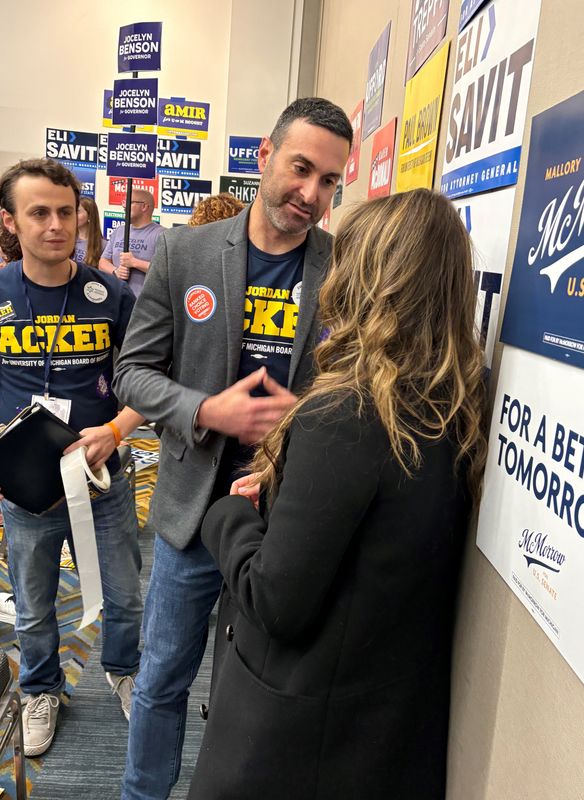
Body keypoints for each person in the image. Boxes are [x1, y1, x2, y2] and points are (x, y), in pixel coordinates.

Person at [188, 189, 488, 800]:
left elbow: (277, 601)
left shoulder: (348, 413)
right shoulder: (456, 404)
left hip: (296, 743)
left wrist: (232, 515)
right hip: (379, 730)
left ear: (372, 279)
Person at [113, 96, 353, 799]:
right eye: (301, 169)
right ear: (265, 158)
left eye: (329, 181)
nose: (311, 193)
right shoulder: (185, 254)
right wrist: (204, 409)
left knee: (253, 691)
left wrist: (304, 415)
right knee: (161, 680)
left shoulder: (343, 267)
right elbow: (132, 372)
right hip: (193, 513)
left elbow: (354, 381)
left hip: (285, 521)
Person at [0, 158, 146, 757]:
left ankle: (124, 669)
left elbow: (146, 380)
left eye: (66, 211)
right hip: (26, 484)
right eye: (39, 212)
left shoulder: (113, 295)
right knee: (32, 604)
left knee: (126, 594)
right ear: (11, 222)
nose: (57, 225)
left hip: (102, 476)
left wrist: (118, 429)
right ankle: (41, 688)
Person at [99, 189, 165, 297]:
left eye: (129, 202)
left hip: (143, 304)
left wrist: (134, 262)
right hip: (117, 300)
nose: (124, 206)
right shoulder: (119, 231)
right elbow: (103, 261)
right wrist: (115, 272)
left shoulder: (162, 235)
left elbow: (164, 270)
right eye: (124, 202)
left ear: (144, 206)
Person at [74, 196, 106, 267]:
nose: (73, 215)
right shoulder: (68, 240)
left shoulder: (103, 245)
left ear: (89, 216)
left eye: (77, 212)